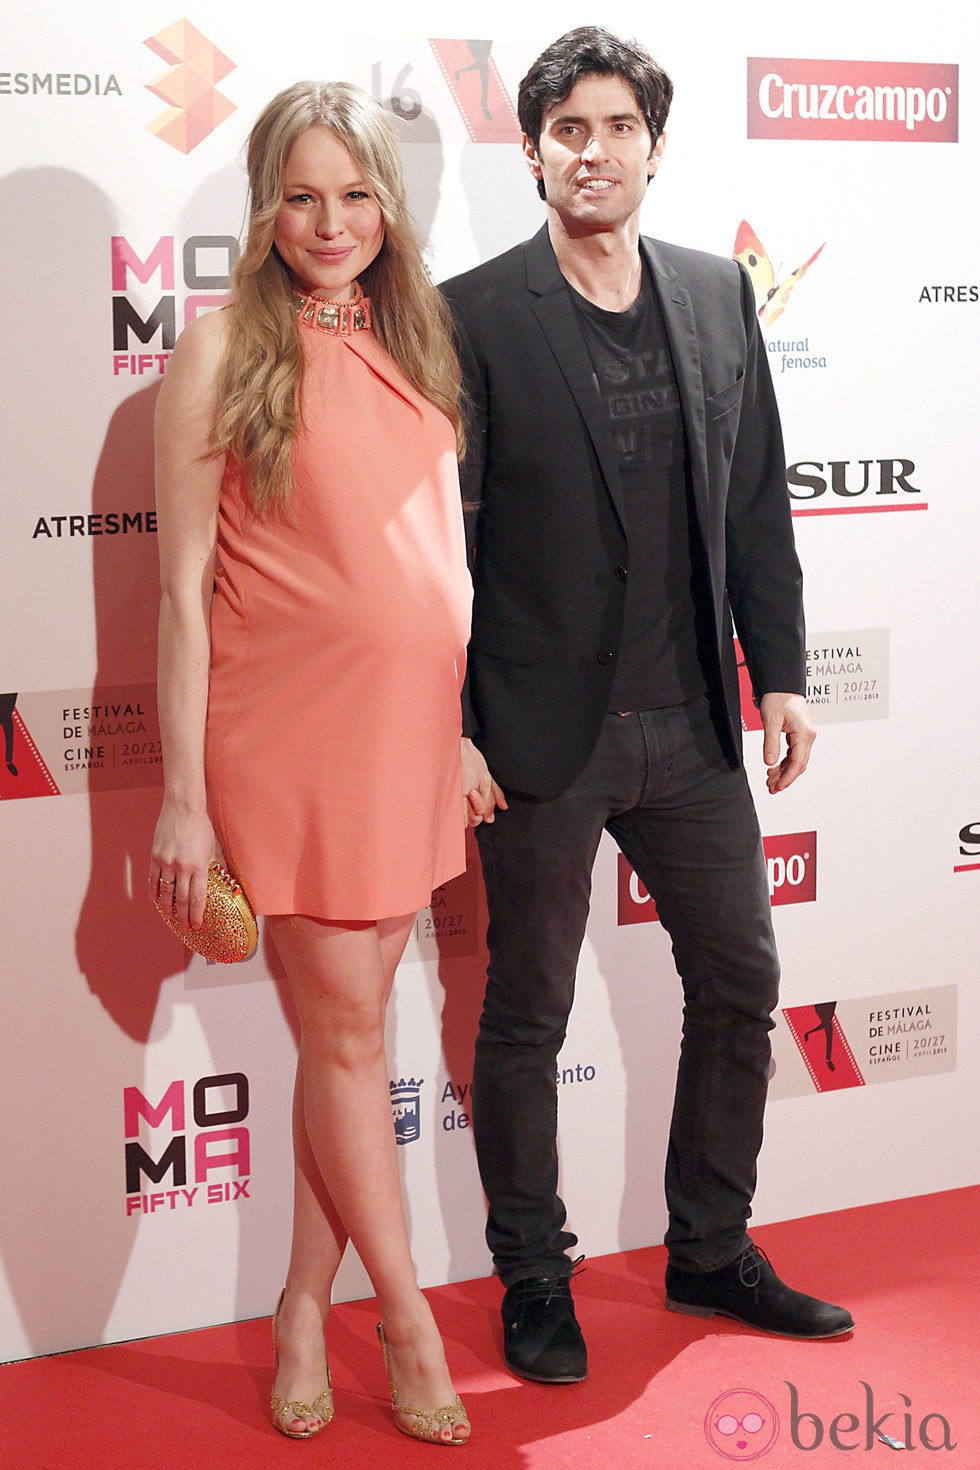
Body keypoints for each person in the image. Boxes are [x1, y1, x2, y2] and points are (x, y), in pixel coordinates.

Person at [442, 27, 854, 1384]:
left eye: (619, 128)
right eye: (570, 130)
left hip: (690, 725)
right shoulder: (476, 312)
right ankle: (531, 1271)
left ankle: (710, 1247)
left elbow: (754, 500)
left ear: (654, 147)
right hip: (538, 736)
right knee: (528, 1012)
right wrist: (448, 723)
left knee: (743, 979)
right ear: (536, 150)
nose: (595, 151)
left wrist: (779, 672)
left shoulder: (716, 296)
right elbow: (440, 538)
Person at [149, 80, 477, 1445]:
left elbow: (434, 561)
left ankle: (298, 1302)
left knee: (346, 1045)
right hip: (288, 746)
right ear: (264, 207)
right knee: (347, 1034)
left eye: (354, 194)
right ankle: (404, 1319)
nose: (329, 221)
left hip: (407, 744)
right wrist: (179, 796)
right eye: (301, 195)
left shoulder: (417, 341)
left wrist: (456, 725)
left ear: (388, 207)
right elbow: (177, 593)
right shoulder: (220, 350)